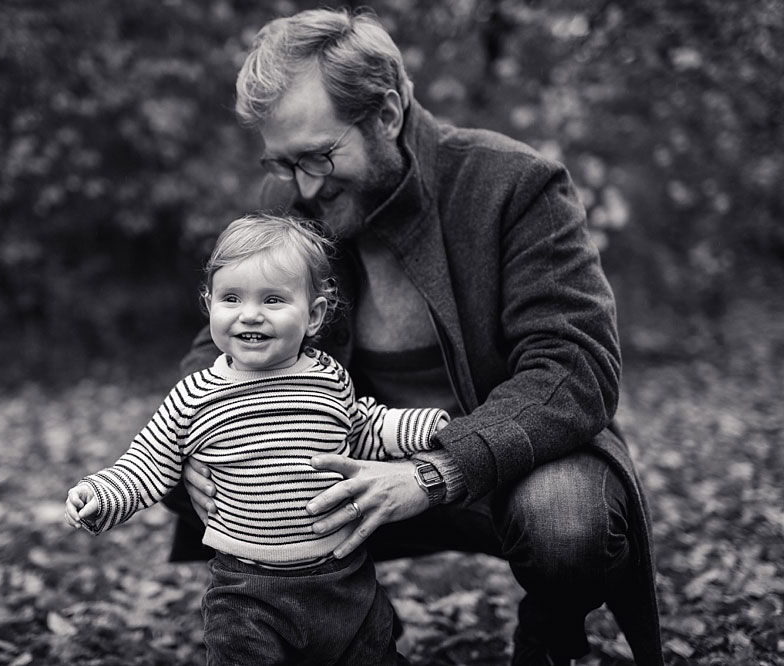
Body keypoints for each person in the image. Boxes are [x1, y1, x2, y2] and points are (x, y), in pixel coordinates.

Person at [168, 8, 665, 666]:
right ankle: (353, 629)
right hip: (350, 467)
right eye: (285, 163)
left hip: (508, 463)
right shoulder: (290, 199)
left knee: (568, 522)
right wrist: (189, 450)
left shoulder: (514, 185)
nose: (305, 186)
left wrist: (435, 472)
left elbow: (575, 369)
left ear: (388, 114)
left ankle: (548, 635)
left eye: (320, 155)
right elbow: (215, 355)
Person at [65, 213, 451, 665]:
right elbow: (150, 460)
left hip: (343, 578)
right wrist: (103, 495)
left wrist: (424, 426)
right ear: (210, 305)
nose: (250, 314)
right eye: (231, 298)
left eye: (273, 300)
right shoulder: (195, 396)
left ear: (314, 315)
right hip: (246, 589)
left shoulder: (328, 378)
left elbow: (361, 428)